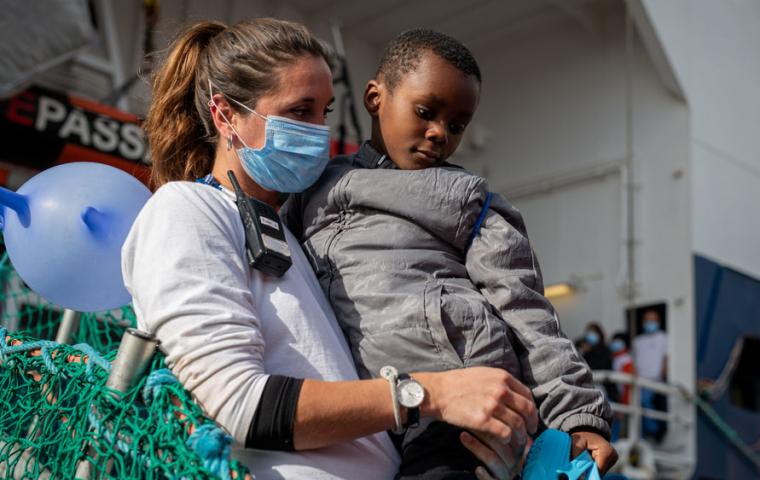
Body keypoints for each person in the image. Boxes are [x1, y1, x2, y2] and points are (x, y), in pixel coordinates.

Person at [123, 19, 539, 480]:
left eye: (323, 112)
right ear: (225, 116)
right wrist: (430, 394)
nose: (318, 131)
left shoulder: (298, 236)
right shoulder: (187, 210)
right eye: (300, 111)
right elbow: (238, 405)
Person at [288, 29, 616, 478]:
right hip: (376, 406)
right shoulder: (309, 189)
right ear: (374, 97)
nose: (439, 133)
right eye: (425, 112)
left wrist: (579, 417)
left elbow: (528, 312)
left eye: (457, 124)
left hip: (463, 404)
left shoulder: (467, 200)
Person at [632, 309, 668, 442]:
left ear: (658, 322)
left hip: (656, 380)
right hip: (639, 380)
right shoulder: (637, 341)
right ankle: (643, 435)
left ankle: (653, 431)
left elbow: (665, 358)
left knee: (644, 402)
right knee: (637, 407)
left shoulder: (663, 337)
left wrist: (664, 375)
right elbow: (634, 360)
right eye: (647, 320)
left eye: (653, 320)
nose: (650, 323)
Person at [608, 332, 634, 440]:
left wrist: (624, 401)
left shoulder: (627, 359)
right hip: (613, 395)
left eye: (618, 341)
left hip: (622, 396)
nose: (615, 344)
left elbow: (628, 384)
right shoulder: (612, 358)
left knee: (621, 422)